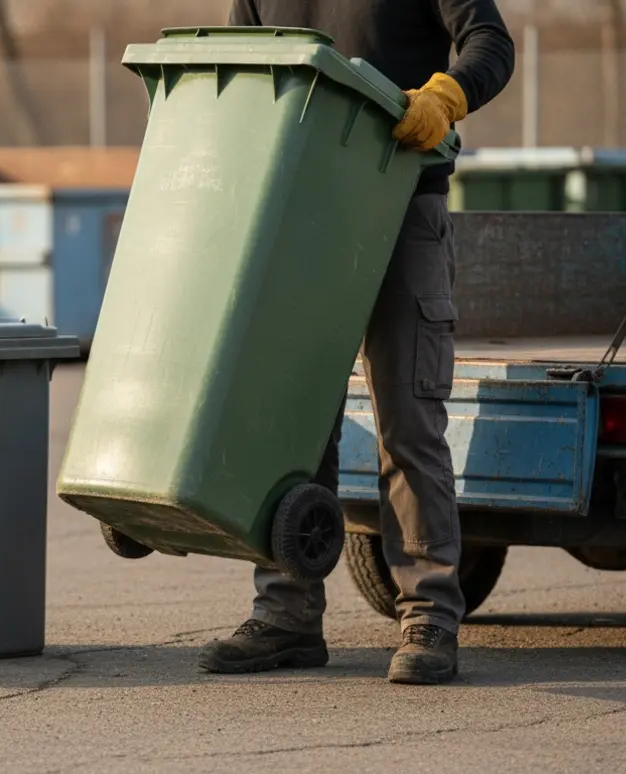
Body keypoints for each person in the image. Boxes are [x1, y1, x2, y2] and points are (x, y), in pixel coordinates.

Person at [198, 0, 515, 685]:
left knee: (408, 417)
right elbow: (245, 75)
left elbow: (491, 43)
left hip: (400, 202)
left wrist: (446, 95)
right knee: (292, 422)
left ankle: (428, 613)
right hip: (296, 210)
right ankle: (286, 613)